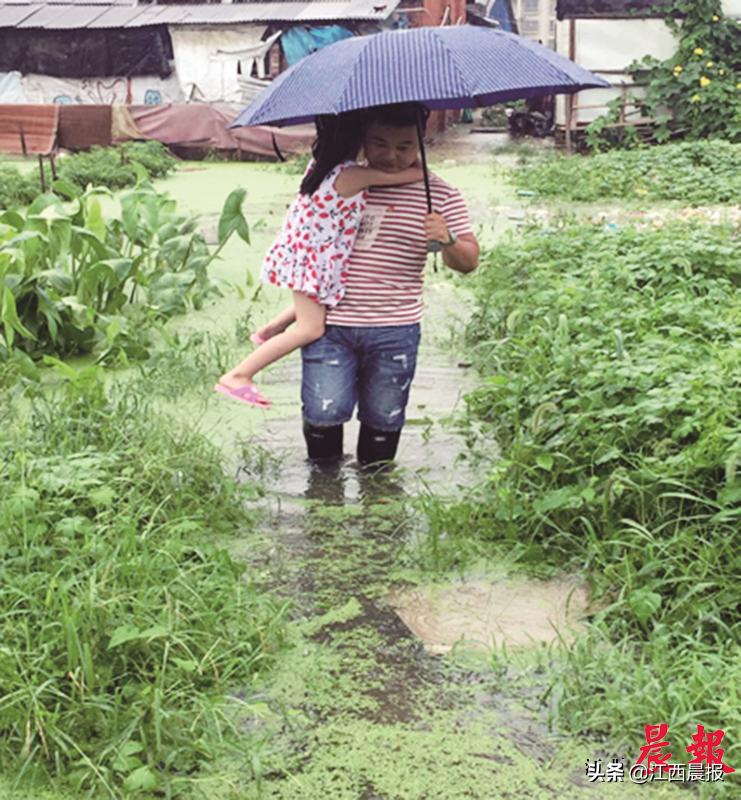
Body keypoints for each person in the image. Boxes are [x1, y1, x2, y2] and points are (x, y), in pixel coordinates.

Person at [300, 102, 480, 467]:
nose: (391, 157)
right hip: (330, 326)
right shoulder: (342, 184)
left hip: (396, 330)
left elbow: (468, 263)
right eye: (379, 144)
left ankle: (379, 503)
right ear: (363, 139)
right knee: (323, 412)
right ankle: (321, 495)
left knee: (384, 418)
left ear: (422, 140)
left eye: (404, 146)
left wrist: (447, 239)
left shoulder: (441, 195)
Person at [214, 113, 425, 407]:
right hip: (315, 258)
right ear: (359, 140)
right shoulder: (351, 175)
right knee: (311, 328)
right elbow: (414, 175)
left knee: (317, 299)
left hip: (307, 254)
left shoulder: (321, 167)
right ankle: (238, 375)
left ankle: (271, 329)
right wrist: (413, 150)